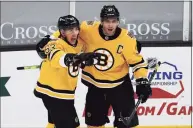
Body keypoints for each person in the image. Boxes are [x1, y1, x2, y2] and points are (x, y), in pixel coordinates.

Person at [36, 5, 152, 128]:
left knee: (127, 125)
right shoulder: (88, 29)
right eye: (107, 21)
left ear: (118, 21)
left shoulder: (127, 39)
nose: (110, 25)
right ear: (101, 21)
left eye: (113, 21)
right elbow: (66, 31)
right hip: (96, 87)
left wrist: (141, 80)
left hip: (120, 87)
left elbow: (137, 63)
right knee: (93, 124)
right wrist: (50, 38)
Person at [34, 15, 106, 128]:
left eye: (76, 29)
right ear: (62, 32)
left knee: (53, 123)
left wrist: (86, 60)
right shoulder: (55, 43)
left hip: (60, 90)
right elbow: (57, 59)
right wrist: (74, 58)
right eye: (70, 30)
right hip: (54, 92)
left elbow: (83, 56)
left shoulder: (80, 42)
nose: (74, 32)